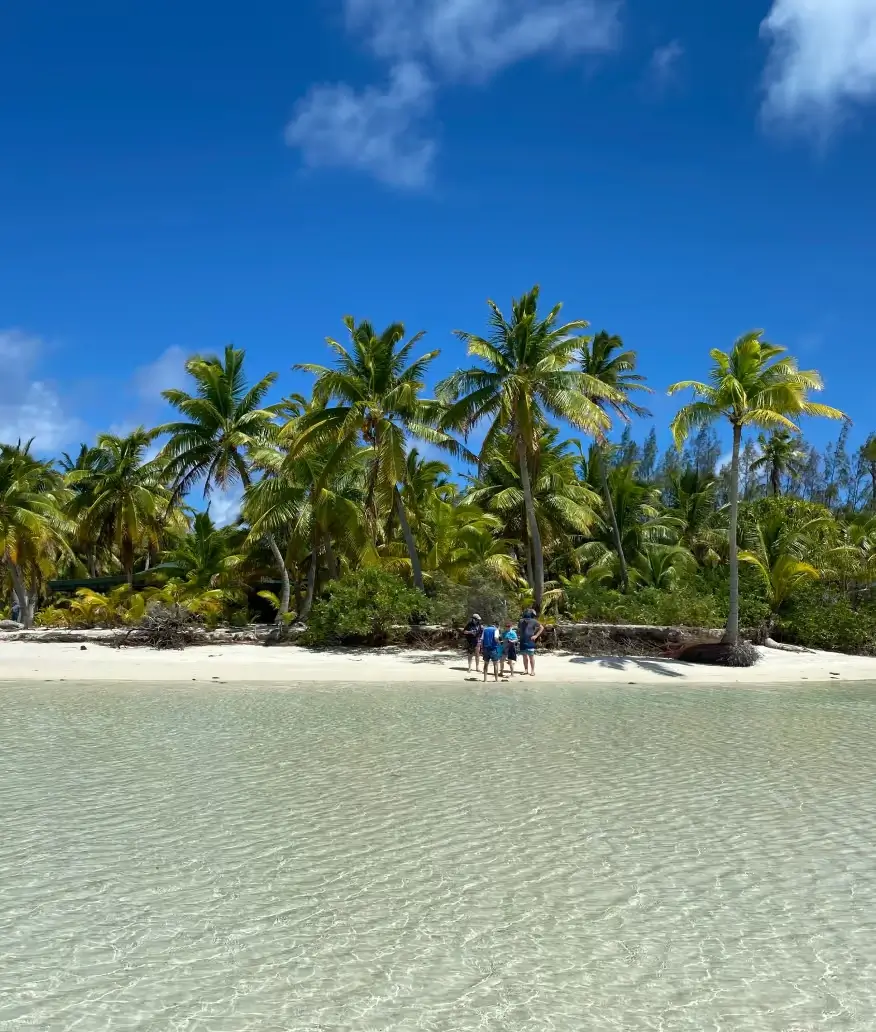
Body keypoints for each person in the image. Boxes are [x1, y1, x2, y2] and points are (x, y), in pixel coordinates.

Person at [518, 608, 544, 677]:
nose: (527, 620)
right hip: (522, 641)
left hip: (530, 641)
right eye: (526, 619)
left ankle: (532, 671)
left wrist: (536, 636)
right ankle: (526, 670)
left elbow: (542, 627)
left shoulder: (533, 621)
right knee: (524, 656)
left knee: (531, 657)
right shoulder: (521, 621)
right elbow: (519, 629)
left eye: (528, 619)